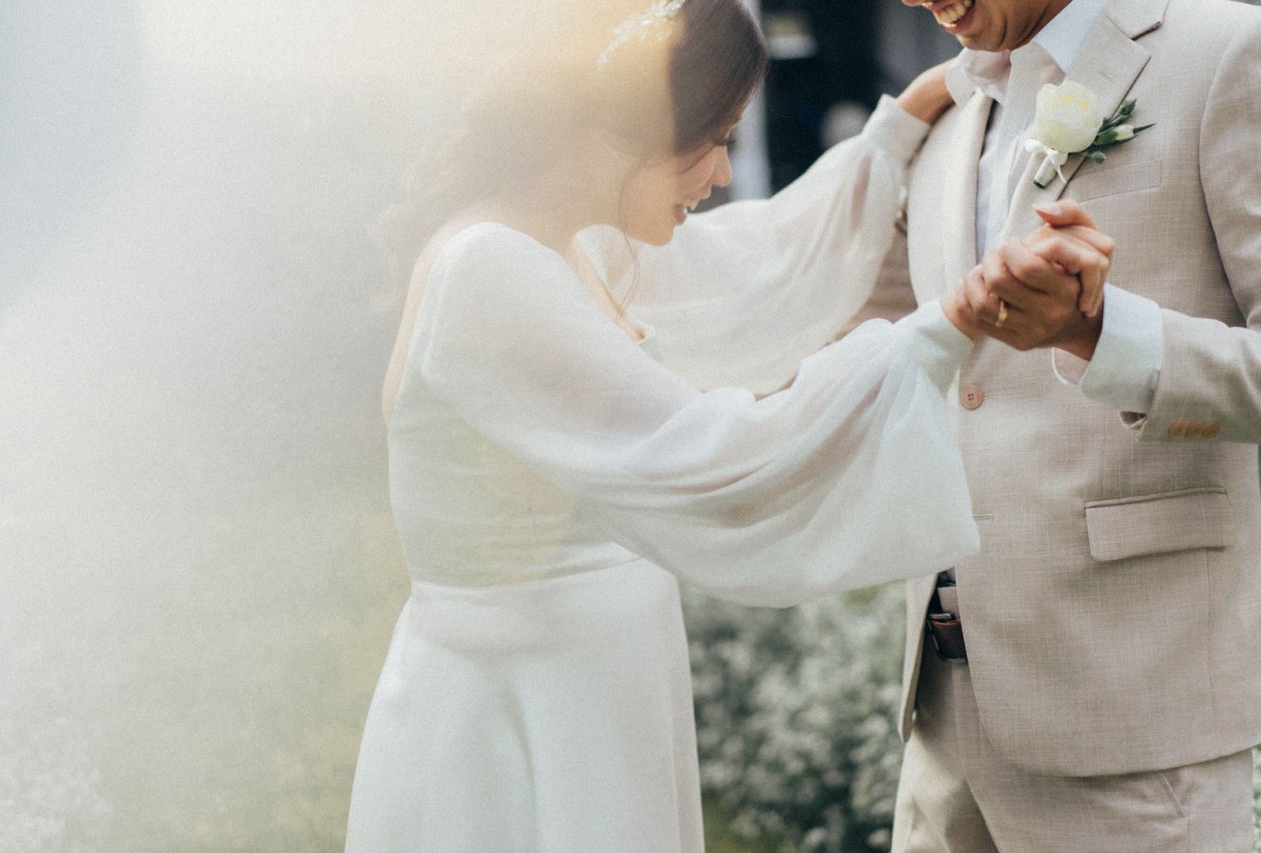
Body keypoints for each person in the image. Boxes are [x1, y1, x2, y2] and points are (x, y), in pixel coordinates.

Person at [344, 1, 1111, 849]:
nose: (718, 172)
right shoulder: (490, 271)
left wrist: (897, 130)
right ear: (628, 127)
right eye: (713, 139)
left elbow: (754, 264)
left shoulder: (572, 247)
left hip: (588, 684)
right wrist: (947, 324)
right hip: (523, 706)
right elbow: (719, 454)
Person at [869, 0, 1261, 849]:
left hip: (1136, 722)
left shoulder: (1230, 51)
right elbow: (886, 352)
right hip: (942, 723)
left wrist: (1100, 334)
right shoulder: (946, 113)